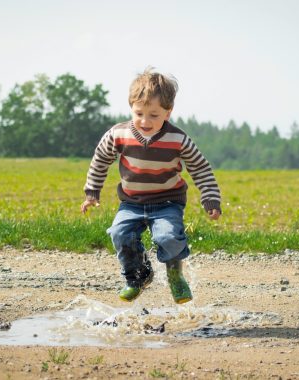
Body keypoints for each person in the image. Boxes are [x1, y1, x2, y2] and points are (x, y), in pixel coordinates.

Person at [81, 68, 221, 304]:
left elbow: (200, 168)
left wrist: (210, 199)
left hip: (167, 203)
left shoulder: (178, 139)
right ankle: (138, 276)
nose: (145, 121)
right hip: (131, 202)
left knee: (168, 237)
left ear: (168, 112)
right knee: (119, 233)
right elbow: (100, 160)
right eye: (139, 113)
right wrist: (92, 192)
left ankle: (175, 274)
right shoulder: (118, 134)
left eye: (154, 115)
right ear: (131, 107)